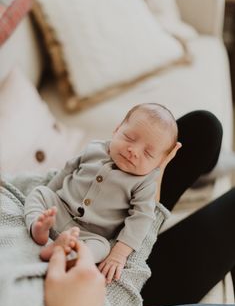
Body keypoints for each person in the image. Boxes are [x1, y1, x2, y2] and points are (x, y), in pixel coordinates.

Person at [44, 110, 235, 306]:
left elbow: (58, 180)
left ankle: (190, 175)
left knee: (204, 128)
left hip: (97, 258)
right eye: (129, 139)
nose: (133, 150)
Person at [24, 103, 181, 283]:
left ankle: (65, 256)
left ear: (160, 163)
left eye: (148, 153)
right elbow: (66, 172)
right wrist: (48, 200)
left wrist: (119, 255)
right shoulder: (93, 149)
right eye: (129, 138)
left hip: (88, 235)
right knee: (39, 192)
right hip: (58, 209)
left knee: (102, 248)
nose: (134, 151)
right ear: (116, 129)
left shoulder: (144, 184)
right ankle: (38, 226)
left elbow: (142, 218)